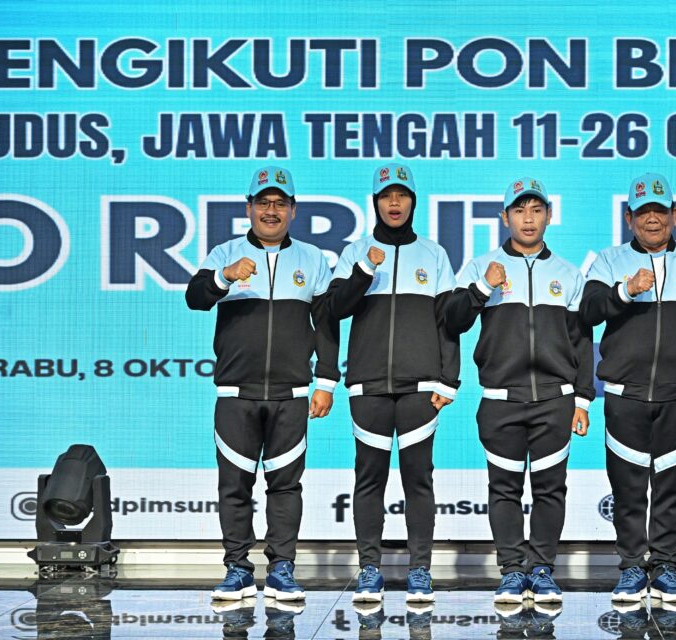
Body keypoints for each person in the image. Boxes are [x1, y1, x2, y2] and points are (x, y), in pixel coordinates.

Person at [186, 166, 340, 601]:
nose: (271, 211)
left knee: (286, 486)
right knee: (234, 486)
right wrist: (225, 276)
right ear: (249, 208)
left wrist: (327, 381)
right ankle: (237, 568)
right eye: (263, 203)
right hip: (236, 394)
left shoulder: (313, 259)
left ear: (293, 210)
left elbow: (326, 323)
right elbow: (195, 298)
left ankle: (282, 568)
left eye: (280, 203)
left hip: (291, 395)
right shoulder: (225, 253)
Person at [581, 172, 676, 603]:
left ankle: (664, 566)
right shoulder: (609, 261)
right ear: (629, 218)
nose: (652, 219)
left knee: (671, 488)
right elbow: (588, 311)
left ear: (674, 216)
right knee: (628, 489)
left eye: (660, 211)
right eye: (643, 211)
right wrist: (626, 291)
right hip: (624, 395)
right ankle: (631, 567)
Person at [446, 177, 594, 604]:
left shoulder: (568, 274)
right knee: (504, 489)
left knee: (550, 489)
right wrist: (481, 287)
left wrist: (582, 399)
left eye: (536, 210)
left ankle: (543, 569)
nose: (528, 219)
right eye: (519, 210)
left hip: (555, 400)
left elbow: (582, 341)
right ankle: (512, 570)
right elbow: (452, 320)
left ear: (549, 216)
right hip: (500, 401)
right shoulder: (481, 266)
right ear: (504, 217)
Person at [328, 163, 460, 603]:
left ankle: (420, 569)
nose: (394, 203)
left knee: (419, 479)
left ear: (413, 201)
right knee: (369, 478)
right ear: (375, 203)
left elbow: (448, 323)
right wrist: (365, 269)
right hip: (367, 386)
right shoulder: (355, 252)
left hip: (421, 387)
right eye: (386, 196)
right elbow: (336, 309)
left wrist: (449, 379)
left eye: (402, 195)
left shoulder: (434, 254)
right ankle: (370, 568)